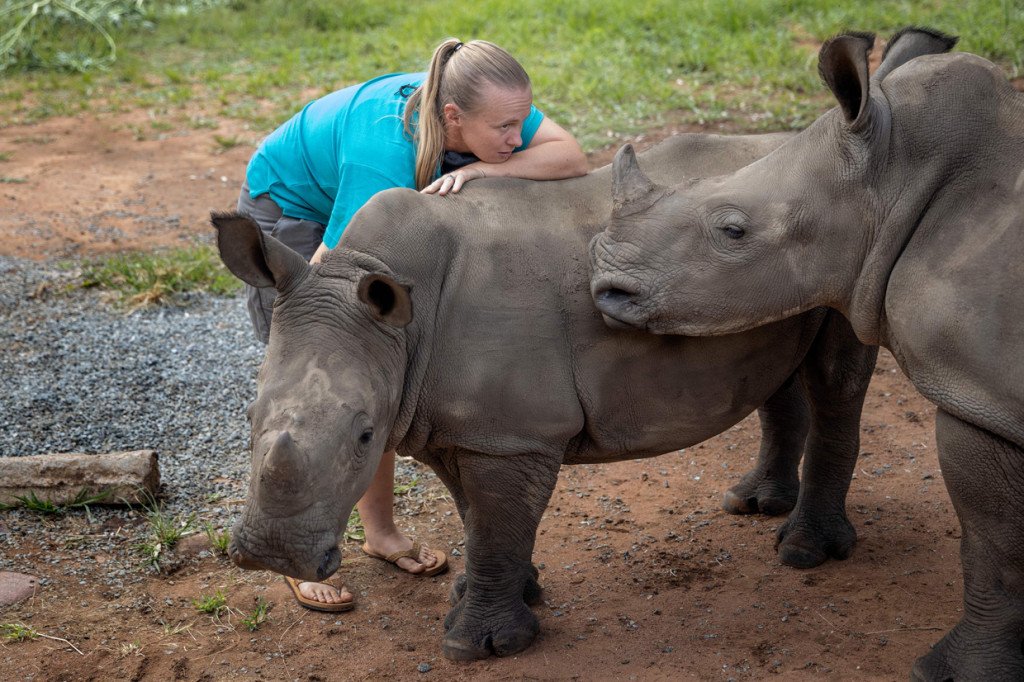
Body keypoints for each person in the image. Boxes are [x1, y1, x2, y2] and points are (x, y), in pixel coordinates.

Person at [236, 38, 588, 612]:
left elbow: (570, 157)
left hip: (360, 199)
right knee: (328, 385)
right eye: (503, 128)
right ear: (452, 117)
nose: (516, 139)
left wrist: (476, 167)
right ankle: (290, 545)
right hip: (293, 214)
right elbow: (330, 272)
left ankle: (379, 534)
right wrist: (314, 345)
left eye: (520, 123)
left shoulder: (483, 106)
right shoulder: (384, 153)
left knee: (380, 382)